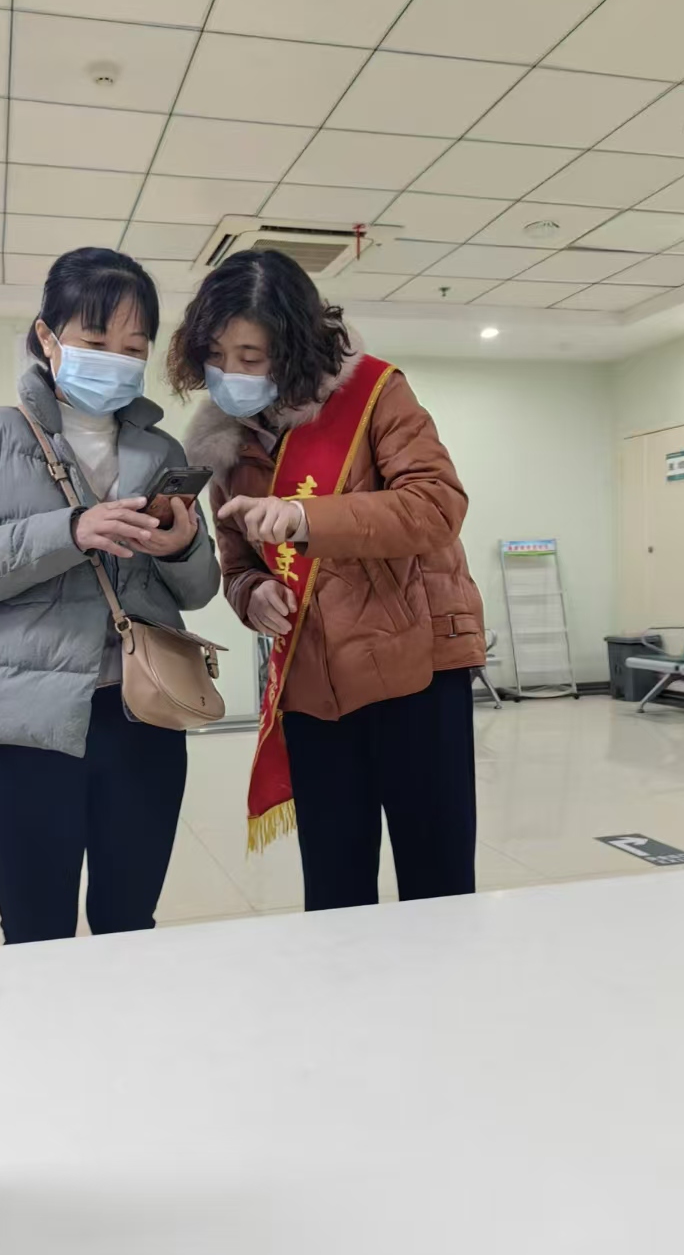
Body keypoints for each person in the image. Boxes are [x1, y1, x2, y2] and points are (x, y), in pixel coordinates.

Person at [0, 247, 220, 944]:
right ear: (47, 337)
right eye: (95, 341)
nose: (115, 360)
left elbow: (200, 591)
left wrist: (181, 549)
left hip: (144, 717)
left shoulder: (163, 453)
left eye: (133, 348)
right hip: (25, 727)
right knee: (35, 932)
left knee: (129, 924)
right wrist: (71, 530)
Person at [171, 249, 484, 913]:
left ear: (294, 348)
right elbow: (238, 562)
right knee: (335, 887)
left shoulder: (373, 393)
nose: (231, 374)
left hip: (414, 667)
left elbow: (436, 506)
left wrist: (305, 517)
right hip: (313, 683)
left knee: (437, 882)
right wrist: (252, 596)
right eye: (217, 356)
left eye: (251, 356)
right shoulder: (224, 442)